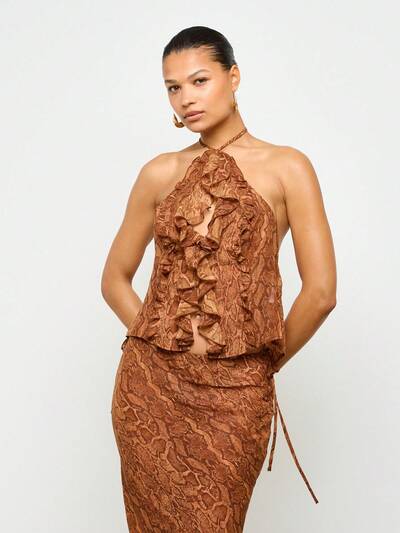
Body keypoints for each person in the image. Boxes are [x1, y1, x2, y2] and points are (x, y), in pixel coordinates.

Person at [101, 25, 337, 533]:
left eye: (199, 81)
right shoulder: (159, 172)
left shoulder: (288, 167)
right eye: (173, 87)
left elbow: (321, 293)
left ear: (234, 77)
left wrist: (259, 367)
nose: (186, 98)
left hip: (236, 397)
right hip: (150, 389)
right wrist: (157, 335)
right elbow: (114, 278)